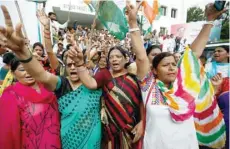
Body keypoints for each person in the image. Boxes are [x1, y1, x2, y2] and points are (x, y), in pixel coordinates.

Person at [125, 2, 226, 149]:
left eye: (174, 64)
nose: (172, 68)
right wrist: (133, 22)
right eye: (166, 65)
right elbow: (141, 57)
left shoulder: (184, 85)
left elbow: (194, 53)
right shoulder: (149, 86)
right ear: (154, 71)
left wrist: (210, 20)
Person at [0, 7, 102, 149]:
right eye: (69, 64)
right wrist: (23, 53)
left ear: (83, 65)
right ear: (64, 67)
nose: (72, 67)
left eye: (76, 64)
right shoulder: (61, 83)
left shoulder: (96, 84)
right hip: (66, 144)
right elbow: (41, 75)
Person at [68, 45, 144, 149]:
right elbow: (90, 83)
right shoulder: (105, 74)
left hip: (132, 128)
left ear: (126, 59)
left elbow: (141, 102)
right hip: (111, 129)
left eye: (118, 56)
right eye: (111, 57)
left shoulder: (134, 78)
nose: (114, 59)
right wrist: (79, 63)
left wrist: (142, 122)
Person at [0, 58, 61, 149]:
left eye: (31, 69)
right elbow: (8, 132)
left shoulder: (49, 89)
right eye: (22, 70)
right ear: (13, 73)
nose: (28, 73)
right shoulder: (11, 95)